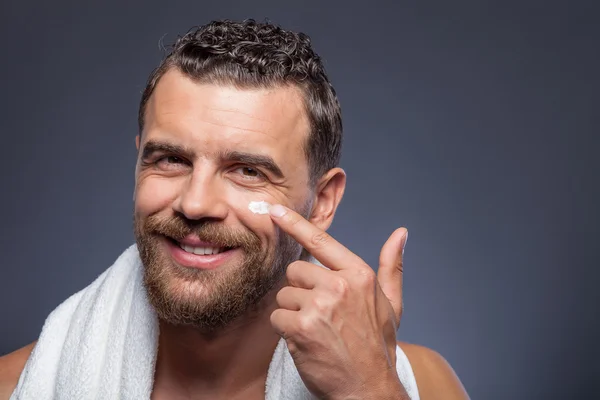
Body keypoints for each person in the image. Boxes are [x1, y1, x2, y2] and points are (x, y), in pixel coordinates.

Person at [0, 19, 469, 399]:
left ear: (322, 201)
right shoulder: (17, 386)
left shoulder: (420, 386)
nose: (195, 203)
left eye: (247, 171)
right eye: (171, 160)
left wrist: (368, 391)